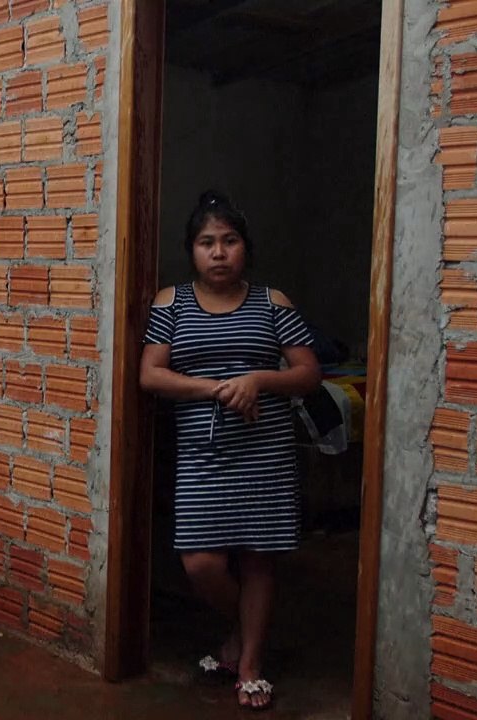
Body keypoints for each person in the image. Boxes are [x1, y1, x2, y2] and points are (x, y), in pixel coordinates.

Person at [139, 191, 321, 711]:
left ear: (245, 248)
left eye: (229, 241)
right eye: (206, 242)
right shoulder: (169, 303)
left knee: (258, 560)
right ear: (191, 251)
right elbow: (149, 374)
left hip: (264, 454)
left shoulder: (273, 302)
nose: (218, 252)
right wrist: (215, 388)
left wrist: (257, 380)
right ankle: (241, 629)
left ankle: (249, 663)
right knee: (200, 563)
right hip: (202, 454)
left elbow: (308, 374)